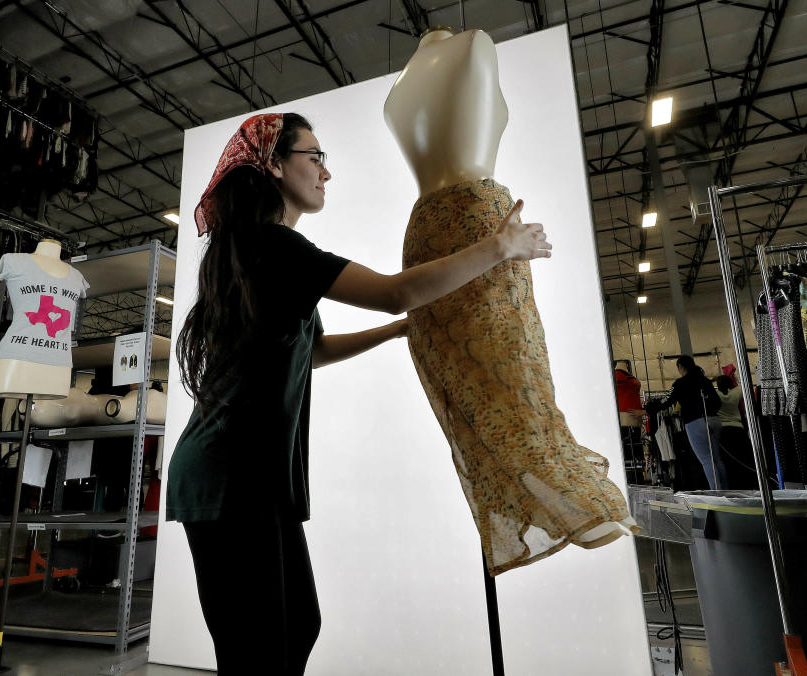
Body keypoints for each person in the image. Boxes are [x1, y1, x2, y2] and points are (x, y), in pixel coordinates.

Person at [165, 112, 551, 674]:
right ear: (273, 164)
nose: (326, 173)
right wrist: (500, 247)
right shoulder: (274, 247)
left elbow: (315, 350)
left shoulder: (267, 254)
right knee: (262, 647)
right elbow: (398, 292)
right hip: (230, 477)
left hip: (249, 477)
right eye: (314, 157)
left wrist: (397, 332)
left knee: (296, 627)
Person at [632, 355, 727, 490]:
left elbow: (666, 401)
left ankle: (718, 493)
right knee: (717, 458)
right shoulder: (705, 380)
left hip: (695, 422)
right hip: (715, 420)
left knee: (706, 460)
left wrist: (646, 411)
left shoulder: (679, 384)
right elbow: (717, 402)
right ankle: (727, 489)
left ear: (680, 367)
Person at [715, 374, 758, 488]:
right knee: (744, 457)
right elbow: (741, 386)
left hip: (723, 431)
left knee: (729, 461)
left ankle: (734, 485)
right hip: (738, 429)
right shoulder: (735, 393)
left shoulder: (716, 395)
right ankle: (748, 483)